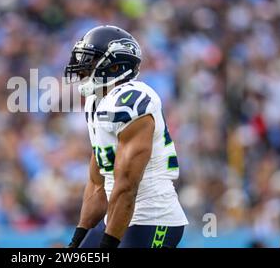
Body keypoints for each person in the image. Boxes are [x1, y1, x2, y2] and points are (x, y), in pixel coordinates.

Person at [64, 25, 188, 248]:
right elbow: (97, 183)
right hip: (117, 214)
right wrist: (77, 240)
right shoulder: (96, 102)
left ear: (115, 66)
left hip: (154, 219)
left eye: (90, 61)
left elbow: (126, 187)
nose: (80, 67)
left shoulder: (132, 102)